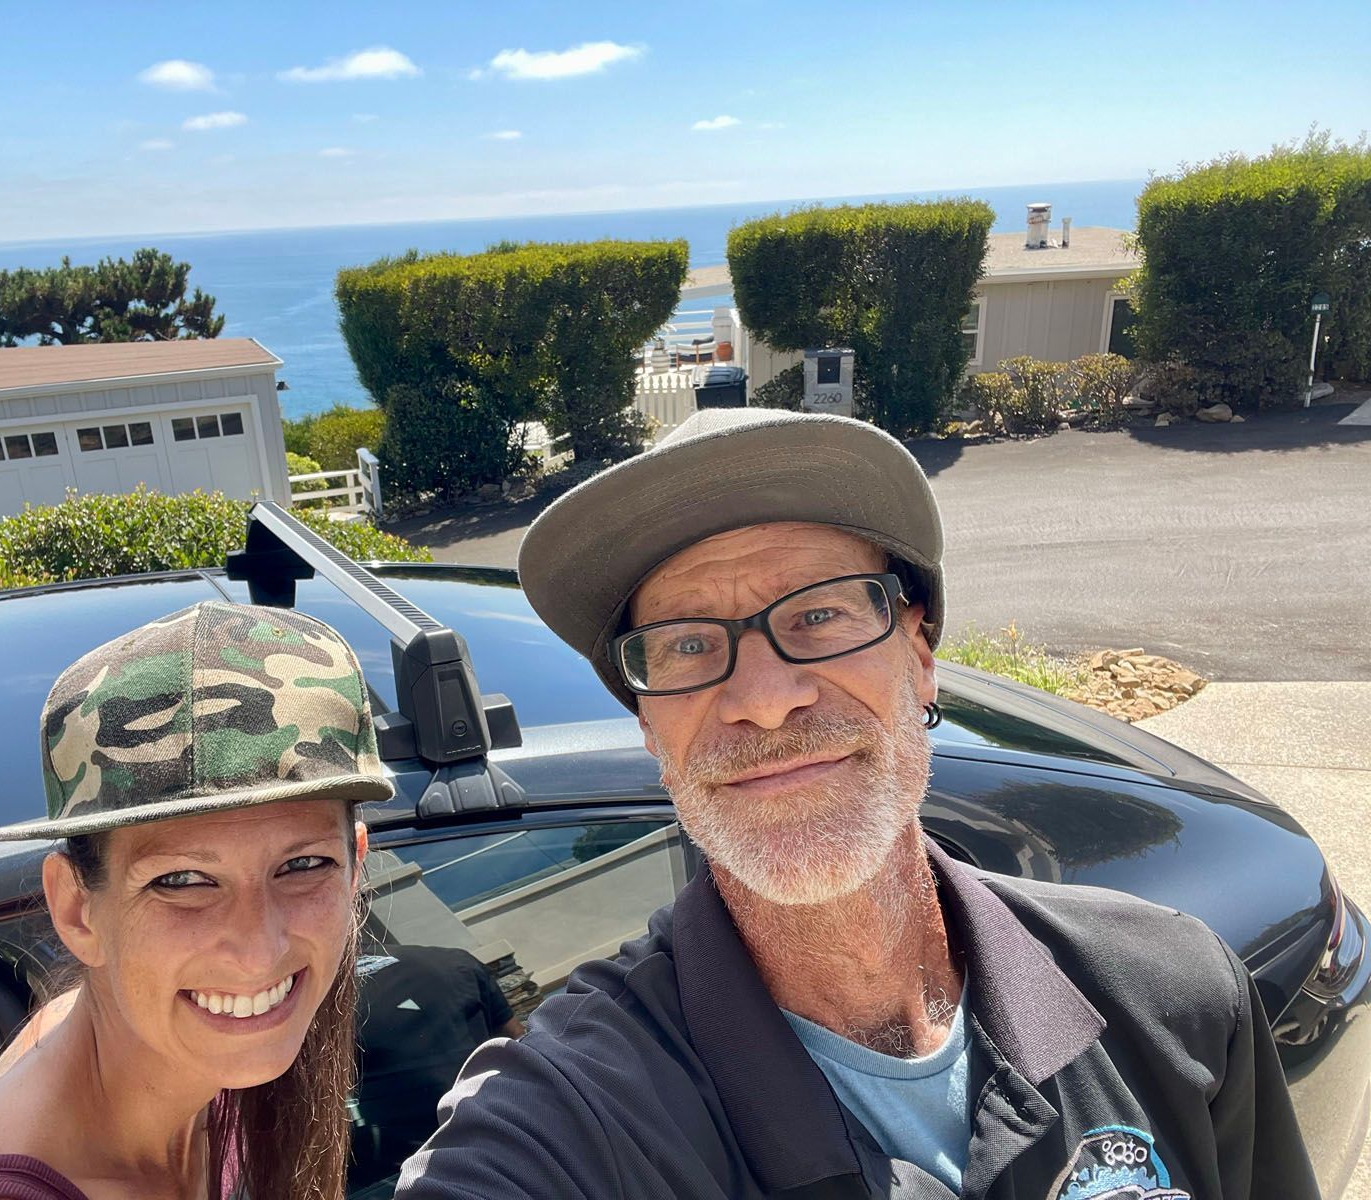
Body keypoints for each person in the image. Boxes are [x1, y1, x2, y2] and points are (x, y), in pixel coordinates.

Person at [396, 408, 1317, 1199]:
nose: (762, 697)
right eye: (682, 646)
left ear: (920, 655)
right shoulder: (570, 1119)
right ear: (648, 724)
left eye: (820, 615)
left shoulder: (1176, 994)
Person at [0, 601, 393, 1200]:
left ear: (354, 866)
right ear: (76, 909)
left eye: (303, 865)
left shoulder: (187, 1049)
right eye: (181, 881)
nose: (258, 953)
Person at [350, 944, 525, 1188]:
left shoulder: (317, 1005)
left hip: (414, 1177)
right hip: (508, 1144)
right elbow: (518, 1042)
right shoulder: (452, 960)